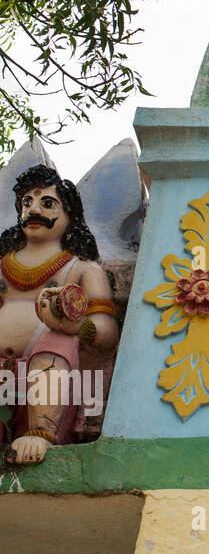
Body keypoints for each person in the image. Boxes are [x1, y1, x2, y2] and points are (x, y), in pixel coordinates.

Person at [0, 165, 119, 464]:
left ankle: (40, 432)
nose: (34, 209)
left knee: (57, 341)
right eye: (27, 203)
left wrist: (74, 326)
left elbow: (107, 331)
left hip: (50, 377)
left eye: (47, 203)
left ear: (70, 216)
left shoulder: (83, 269)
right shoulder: (2, 265)